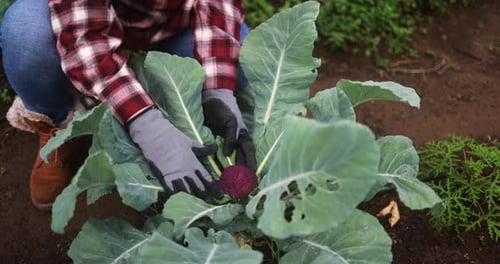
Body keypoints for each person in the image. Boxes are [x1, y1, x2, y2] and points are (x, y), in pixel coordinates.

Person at [0, 0, 256, 210]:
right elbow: (85, 41)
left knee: (243, 61)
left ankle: (187, 123)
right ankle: (58, 124)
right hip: (80, 22)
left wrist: (218, 88)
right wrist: (146, 125)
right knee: (26, 35)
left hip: (171, 22)